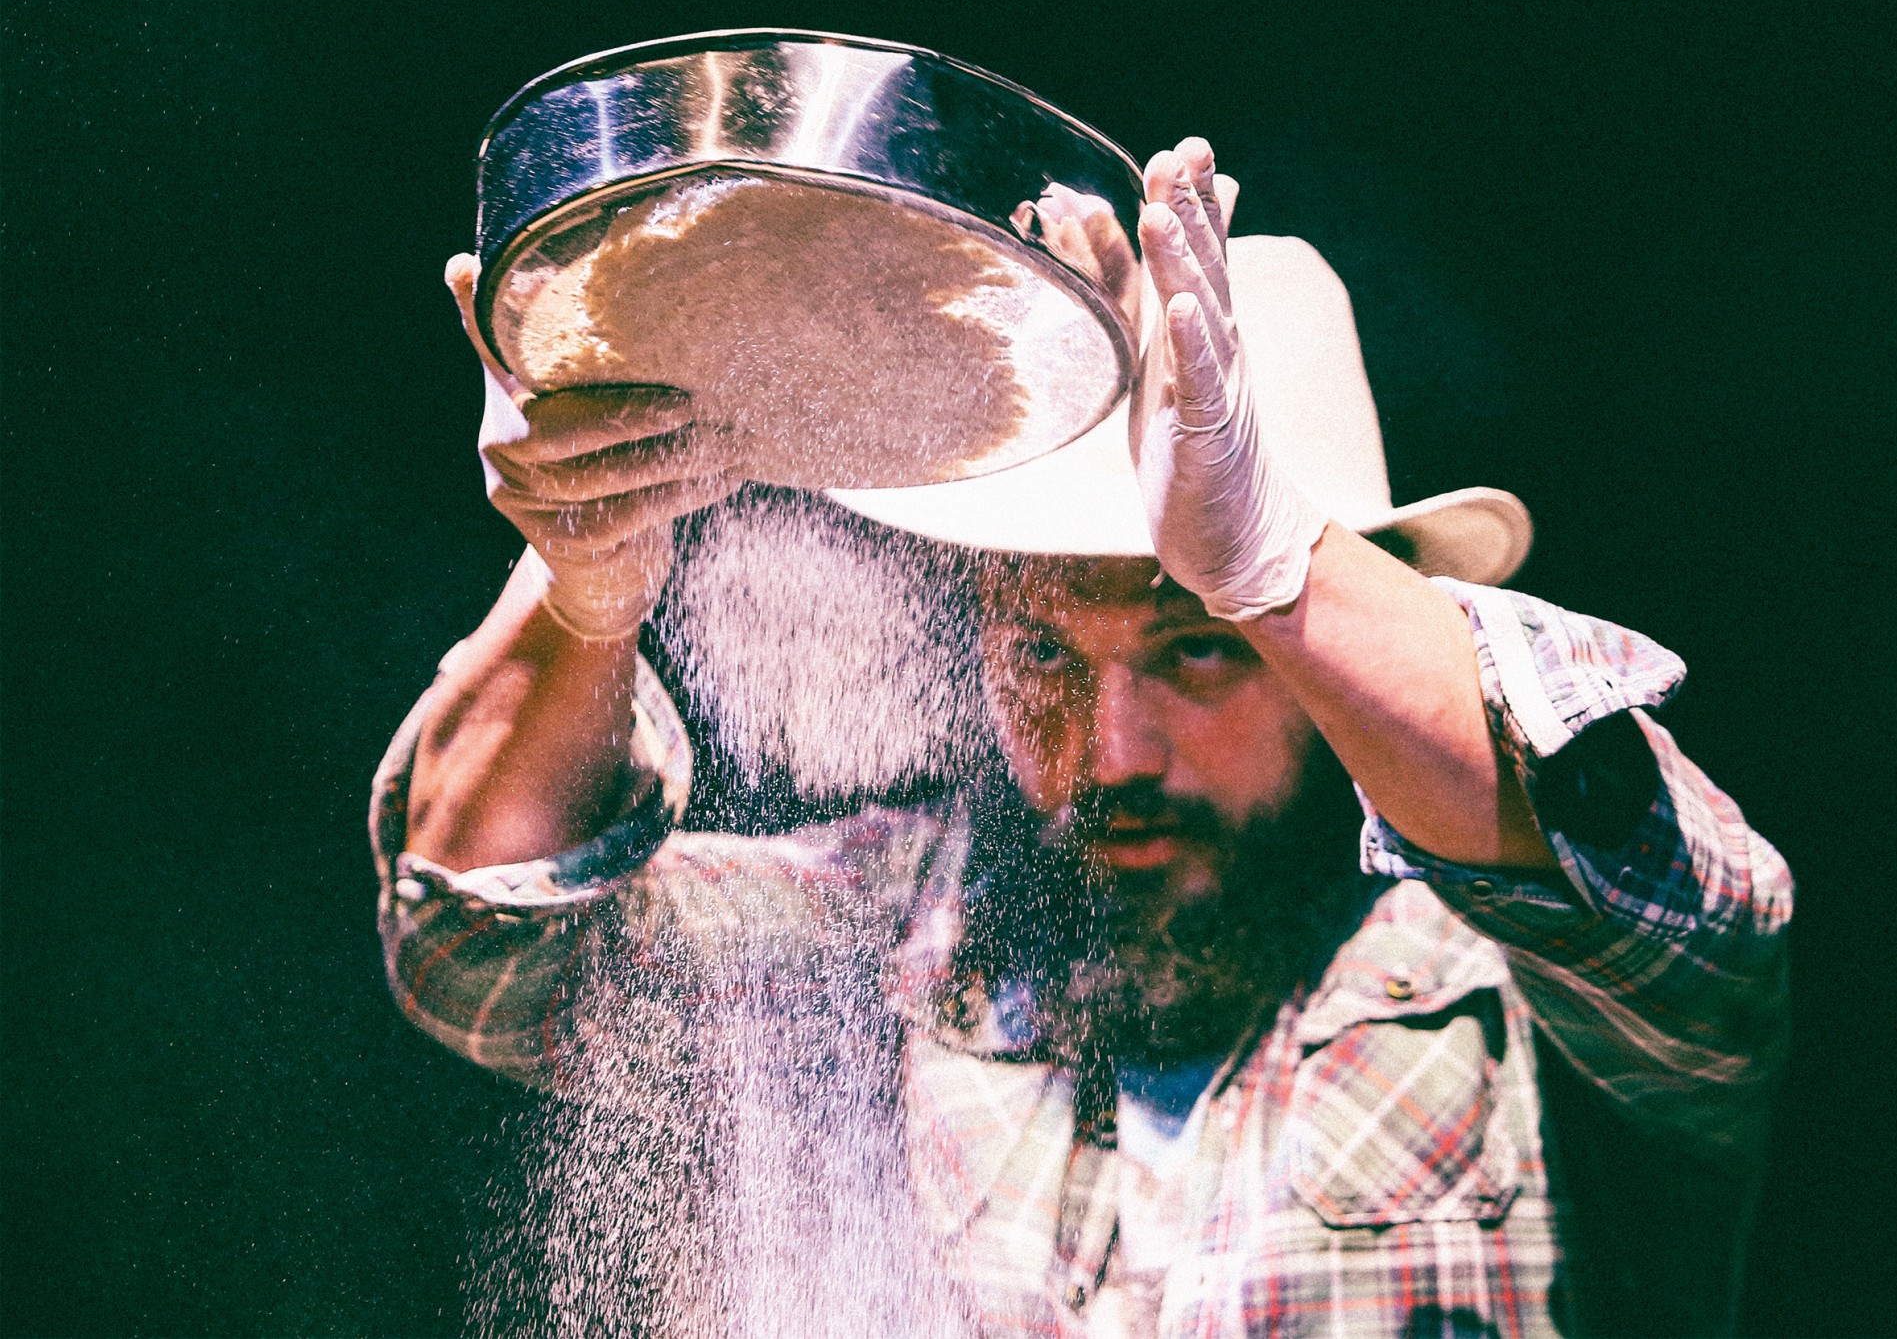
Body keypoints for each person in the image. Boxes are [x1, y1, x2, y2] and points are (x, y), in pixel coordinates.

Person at [376, 140, 1792, 1338]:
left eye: (1198, 651)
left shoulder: (1517, 996)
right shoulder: (878, 937)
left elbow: (1690, 912)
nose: (1112, 752)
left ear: (1332, 648)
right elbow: (483, 948)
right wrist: (583, 585)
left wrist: (1278, 566)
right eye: (1044, 652)